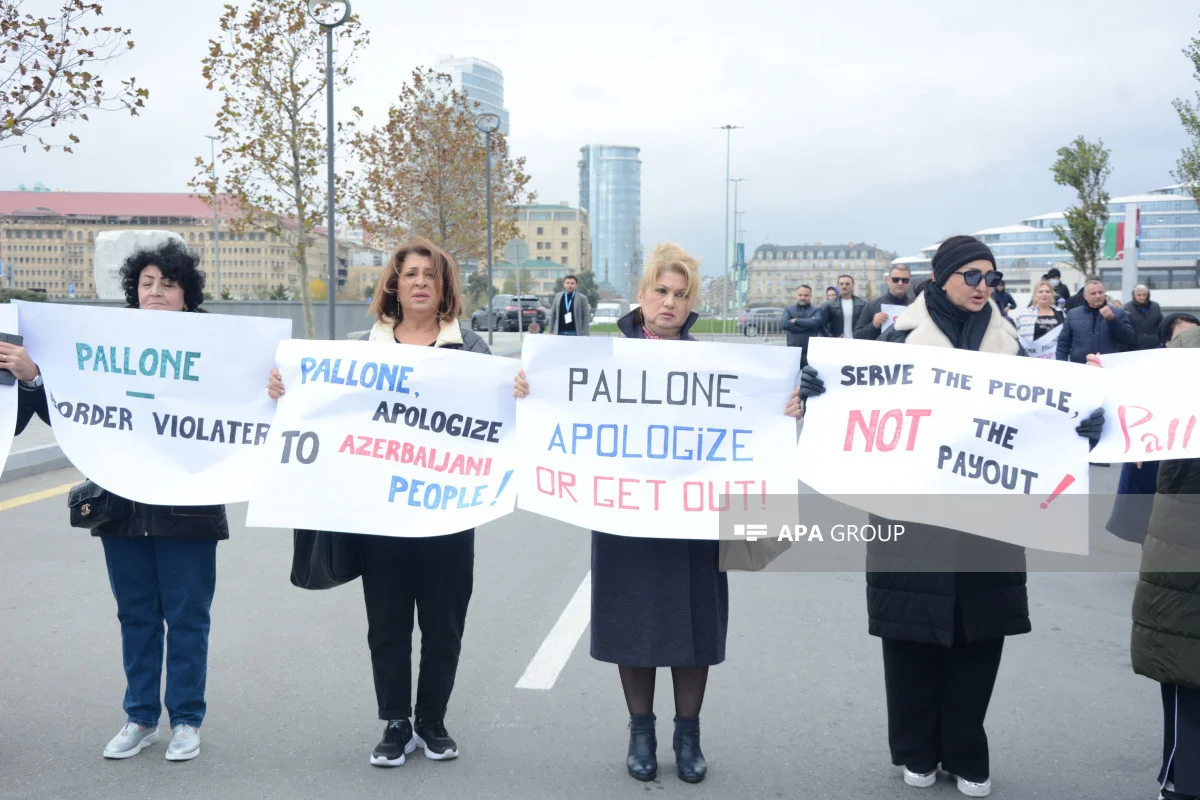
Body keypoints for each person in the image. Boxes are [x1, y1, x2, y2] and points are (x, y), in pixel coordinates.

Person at [799, 235, 1103, 798]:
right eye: (972, 276)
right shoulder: (893, 337)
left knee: (979, 633)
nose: (984, 287)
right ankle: (916, 748)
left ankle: (965, 749)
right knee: (911, 632)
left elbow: (1048, 420)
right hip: (911, 512)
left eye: (992, 278)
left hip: (990, 517)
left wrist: (1083, 428)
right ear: (941, 278)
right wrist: (817, 392)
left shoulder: (1013, 348)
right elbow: (845, 396)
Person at [513, 243, 802, 785]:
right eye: (661, 291)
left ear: (690, 303)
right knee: (633, 619)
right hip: (627, 516)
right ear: (642, 296)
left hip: (693, 517)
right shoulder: (597, 359)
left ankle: (687, 734)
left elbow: (757, 418)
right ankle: (640, 731)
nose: (669, 302)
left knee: (695, 623)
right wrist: (530, 390)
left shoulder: (720, 367)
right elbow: (553, 403)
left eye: (681, 294)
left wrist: (785, 408)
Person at [269, 238, 488, 767]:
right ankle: (395, 722)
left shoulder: (473, 350)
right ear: (393, 284)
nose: (418, 283)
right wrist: (285, 390)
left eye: (429, 276)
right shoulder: (360, 350)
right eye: (409, 273)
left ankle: (432, 720)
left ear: (444, 289)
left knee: (443, 627)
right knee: (386, 625)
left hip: (448, 515)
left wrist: (520, 392)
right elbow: (324, 408)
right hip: (380, 516)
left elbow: (496, 419)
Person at [9, 240, 228, 762]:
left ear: (185, 294)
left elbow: (241, 409)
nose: (155, 292)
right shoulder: (105, 344)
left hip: (188, 506)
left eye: (167, 284)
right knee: (136, 615)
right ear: (134, 289)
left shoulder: (218, 345)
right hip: (122, 503)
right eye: (146, 283)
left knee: (188, 616)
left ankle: (186, 720)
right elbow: (70, 408)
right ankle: (140, 718)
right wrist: (34, 376)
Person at [1126, 324, 1200, 800]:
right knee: (1188, 665)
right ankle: (1183, 780)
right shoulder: (1185, 352)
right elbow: (1127, 402)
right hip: (1187, 536)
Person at [1056, 278, 1136, 363]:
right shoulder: (1073, 314)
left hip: (1108, 366)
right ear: (1085, 296)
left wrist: (1113, 320)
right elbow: (1063, 343)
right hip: (1080, 366)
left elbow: (1128, 338)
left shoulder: (1118, 312)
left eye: (1100, 292)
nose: (1098, 296)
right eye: (1093, 293)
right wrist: (1062, 365)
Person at [854, 264, 912, 341]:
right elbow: (857, 336)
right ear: (888, 280)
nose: (900, 283)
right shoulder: (872, 305)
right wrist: (873, 325)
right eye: (896, 279)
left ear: (909, 282)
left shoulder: (914, 306)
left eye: (904, 280)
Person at [782, 284, 826, 367]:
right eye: (800, 295)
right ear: (796, 295)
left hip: (810, 353)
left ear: (810, 296)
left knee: (809, 378)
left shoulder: (817, 310)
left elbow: (816, 322)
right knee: (792, 379)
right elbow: (784, 324)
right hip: (792, 352)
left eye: (806, 295)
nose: (803, 297)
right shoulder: (788, 309)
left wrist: (796, 320)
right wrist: (806, 326)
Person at [821, 274, 866, 339]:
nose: (844, 286)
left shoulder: (863, 304)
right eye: (841, 284)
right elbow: (822, 325)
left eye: (847, 284)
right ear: (838, 286)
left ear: (853, 286)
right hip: (837, 345)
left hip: (857, 343)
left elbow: (867, 324)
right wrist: (832, 338)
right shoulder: (828, 305)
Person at [1127, 283, 1164, 351]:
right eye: (1139, 295)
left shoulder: (1155, 306)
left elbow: (1161, 325)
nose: (1142, 297)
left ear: (1148, 295)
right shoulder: (1127, 307)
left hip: (1154, 345)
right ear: (1134, 295)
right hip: (1134, 346)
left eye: (1144, 295)